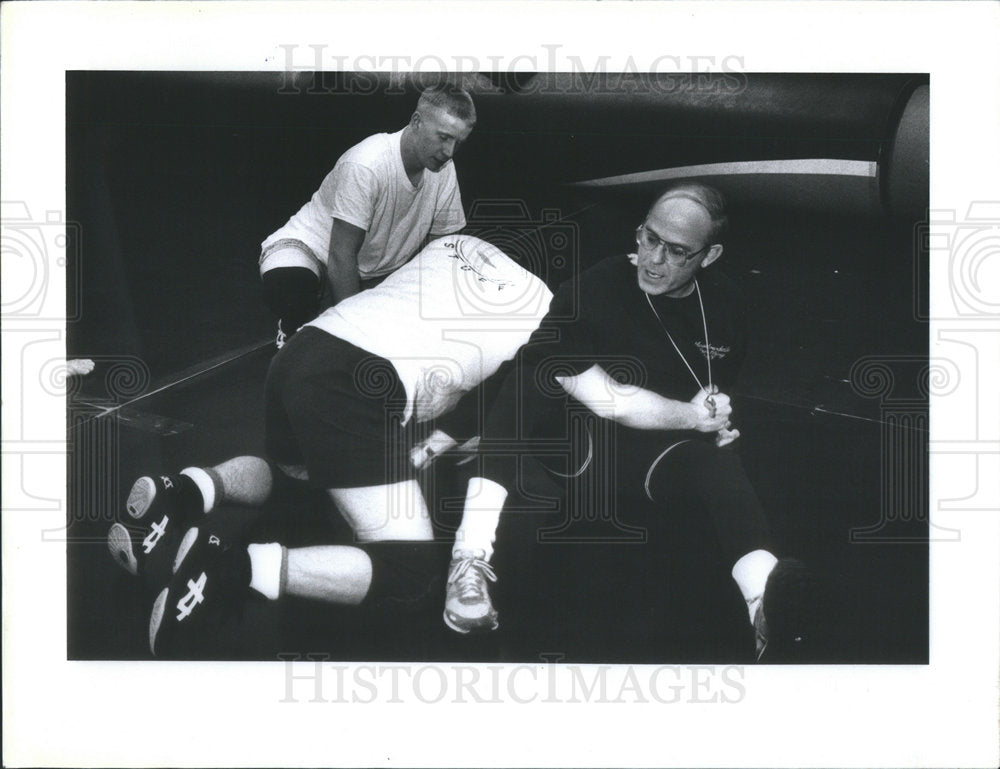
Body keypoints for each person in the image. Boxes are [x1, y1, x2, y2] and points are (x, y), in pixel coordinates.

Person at [107, 234, 552, 657]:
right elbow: (499, 442)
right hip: (356, 385)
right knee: (411, 571)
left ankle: (183, 493)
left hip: (303, 352)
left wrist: (437, 440)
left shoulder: (455, 246)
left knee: (298, 480)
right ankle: (228, 571)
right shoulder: (550, 327)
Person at [442, 183, 817, 659]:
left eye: (677, 251)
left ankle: (764, 607)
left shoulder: (726, 307)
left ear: (710, 254)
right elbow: (609, 401)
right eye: (649, 238)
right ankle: (469, 558)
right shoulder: (595, 288)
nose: (654, 259)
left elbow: (713, 388)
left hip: (650, 455)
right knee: (530, 378)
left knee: (719, 460)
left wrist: (719, 414)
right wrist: (693, 415)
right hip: (577, 449)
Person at [259, 83, 475, 348]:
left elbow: (444, 251)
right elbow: (340, 256)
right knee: (291, 290)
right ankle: (293, 325)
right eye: (443, 137)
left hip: (375, 272)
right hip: (310, 250)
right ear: (416, 121)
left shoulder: (444, 170)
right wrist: (356, 334)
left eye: (458, 142)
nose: (449, 152)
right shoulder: (367, 163)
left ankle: (337, 306)